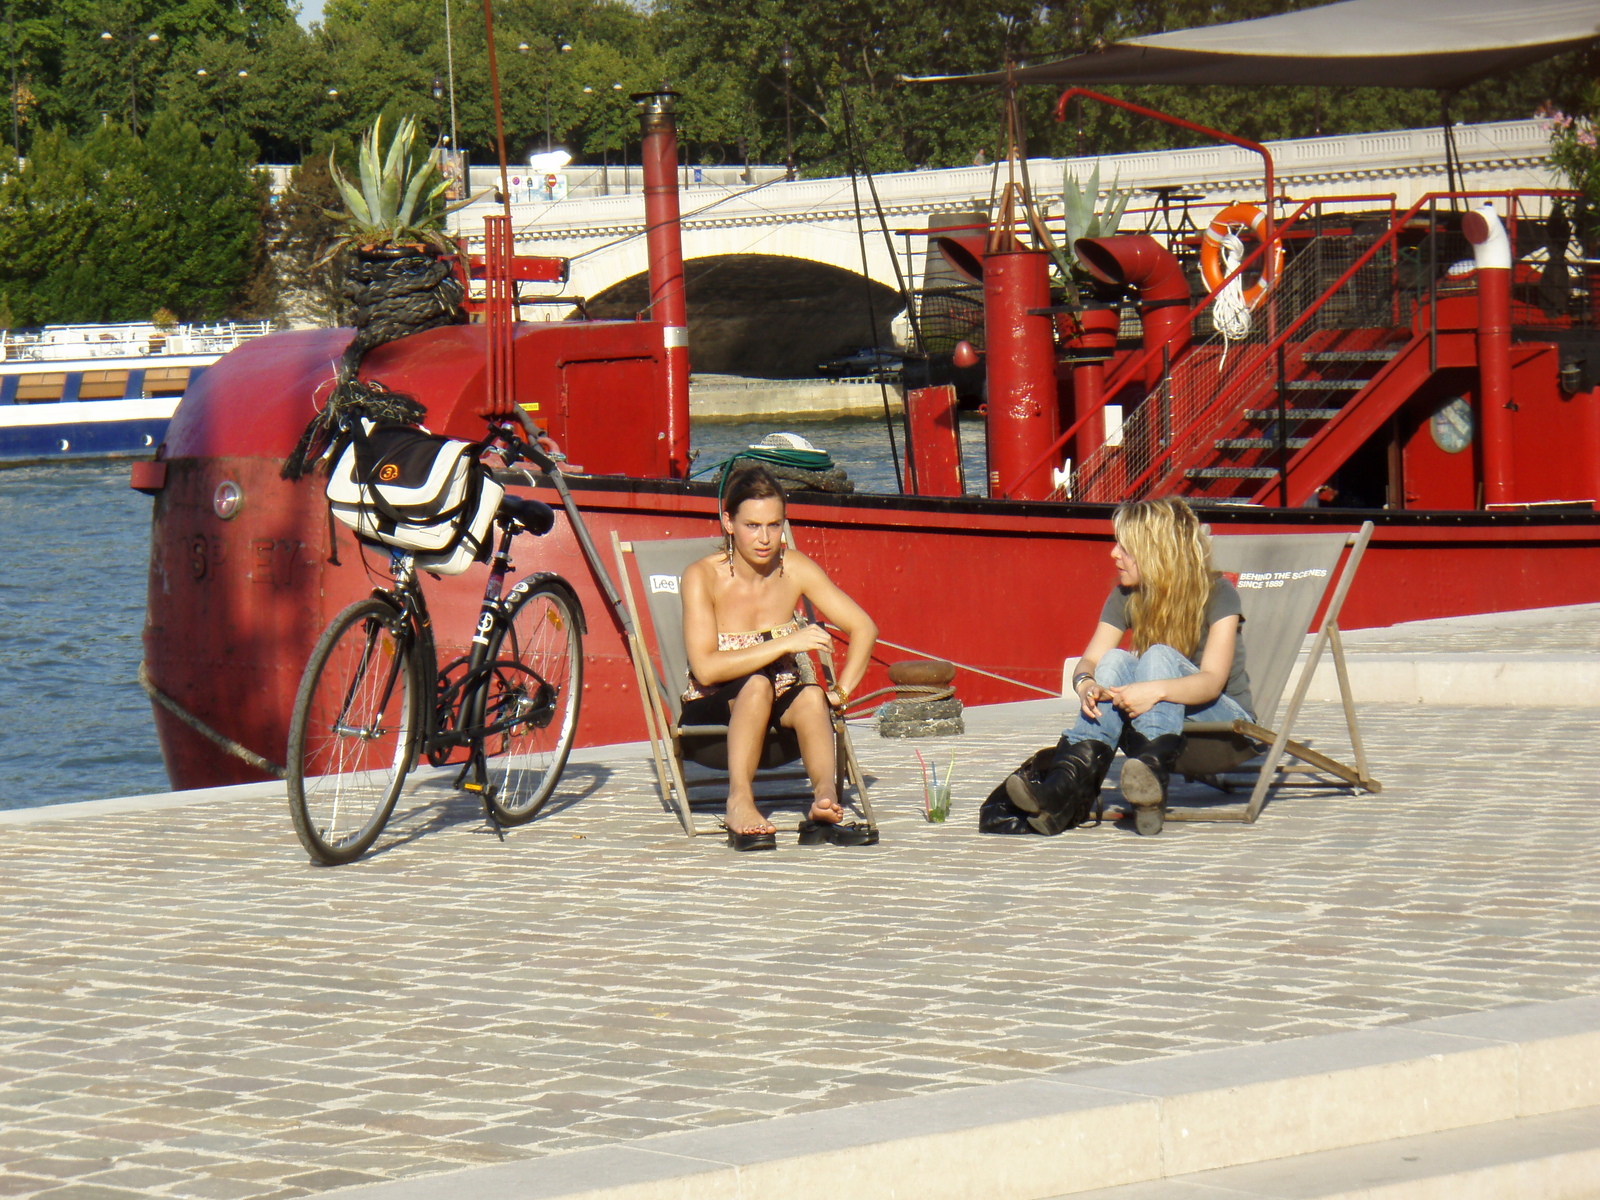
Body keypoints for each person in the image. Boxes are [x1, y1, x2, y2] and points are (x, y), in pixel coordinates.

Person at [990, 496, 1254, 837]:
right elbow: (1091, 659)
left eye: (1125, 548)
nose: (1114, 554)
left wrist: (1154, 689)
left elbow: (1212, 682)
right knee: (1114, 661)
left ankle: (1146, 777)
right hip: (1168, 722)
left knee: (1157, 655)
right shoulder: (1126, 596)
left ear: (1157, 552)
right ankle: (1064, 789)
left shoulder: (1218, 593)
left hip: (1224, 729)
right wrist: (1086, 683)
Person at [681, 463, 878, 851]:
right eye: (753, 525)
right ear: (728, 522)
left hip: (780, 720)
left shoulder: (795, 568)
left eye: (774, 525)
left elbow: (864, 627)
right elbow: (705, 668)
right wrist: (786, 643)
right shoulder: (702, 576)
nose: (765, 538)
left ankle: (824, 800)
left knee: (809, 695)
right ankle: (739, 801)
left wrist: (840, 692)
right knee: (756, 685)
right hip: (713, 716)